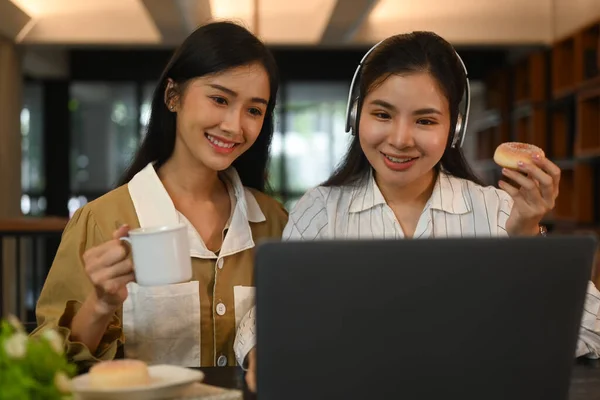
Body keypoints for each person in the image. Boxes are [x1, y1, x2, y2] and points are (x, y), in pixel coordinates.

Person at [237, 31, 600, 391]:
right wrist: (261, 353)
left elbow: (591, 329)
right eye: (382, 114)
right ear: (355, 114)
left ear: (454, 128)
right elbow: (266, 319)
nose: (399, 139)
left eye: (425, 121)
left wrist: (525, 235)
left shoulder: (498, 210)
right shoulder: (321, 210)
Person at [32, 21, 288, 370]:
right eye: (219, 99)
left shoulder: (275, 222)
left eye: (254, 110)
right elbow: (48, 366)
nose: (234, 125)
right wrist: (101, 304)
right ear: (173, 96)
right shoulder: (100, 221)